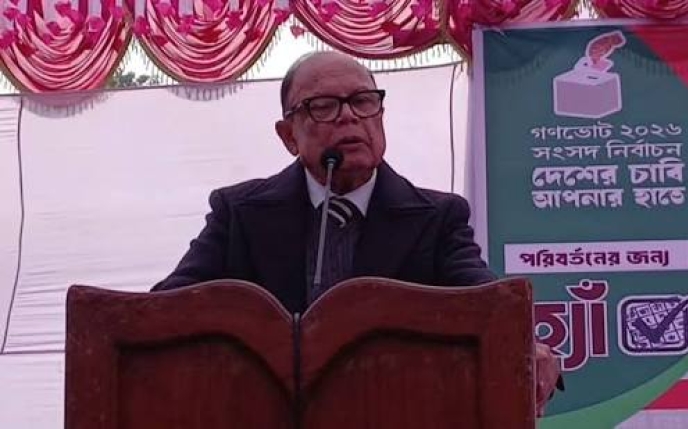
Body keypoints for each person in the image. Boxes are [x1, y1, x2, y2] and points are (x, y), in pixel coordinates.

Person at [153, 51, 562, 415]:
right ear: (288, 135)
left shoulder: (437, 218)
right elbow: (163, 312)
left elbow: (485, 302)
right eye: (323, 106)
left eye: (363, 101)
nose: (349, 116)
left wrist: (523, 344)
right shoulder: (239, 214)